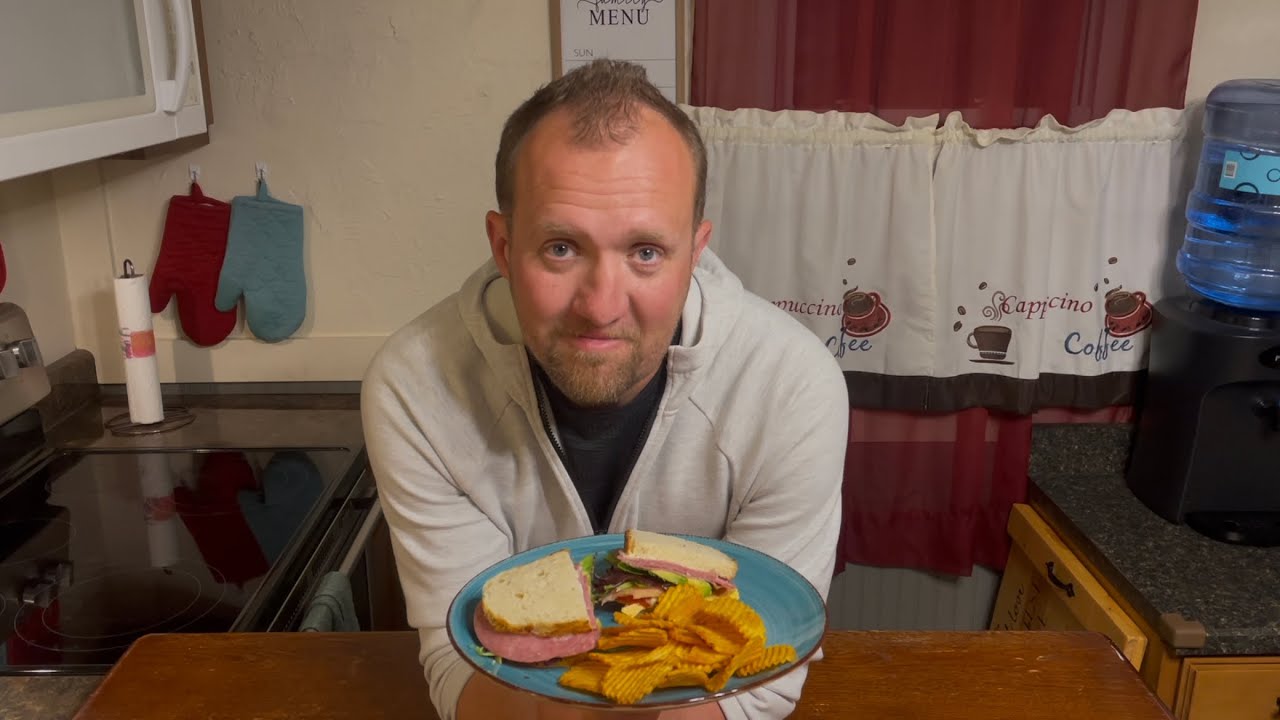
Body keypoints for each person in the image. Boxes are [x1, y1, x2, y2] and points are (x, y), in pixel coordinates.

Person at [361, 58, 848, 720]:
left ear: (695, 252)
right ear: (503, 246)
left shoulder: (792, 388)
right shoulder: (415, 390)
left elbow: (765, 671)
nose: (600, 306)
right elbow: (460, 664)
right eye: (561, 248)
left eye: (646, 252)